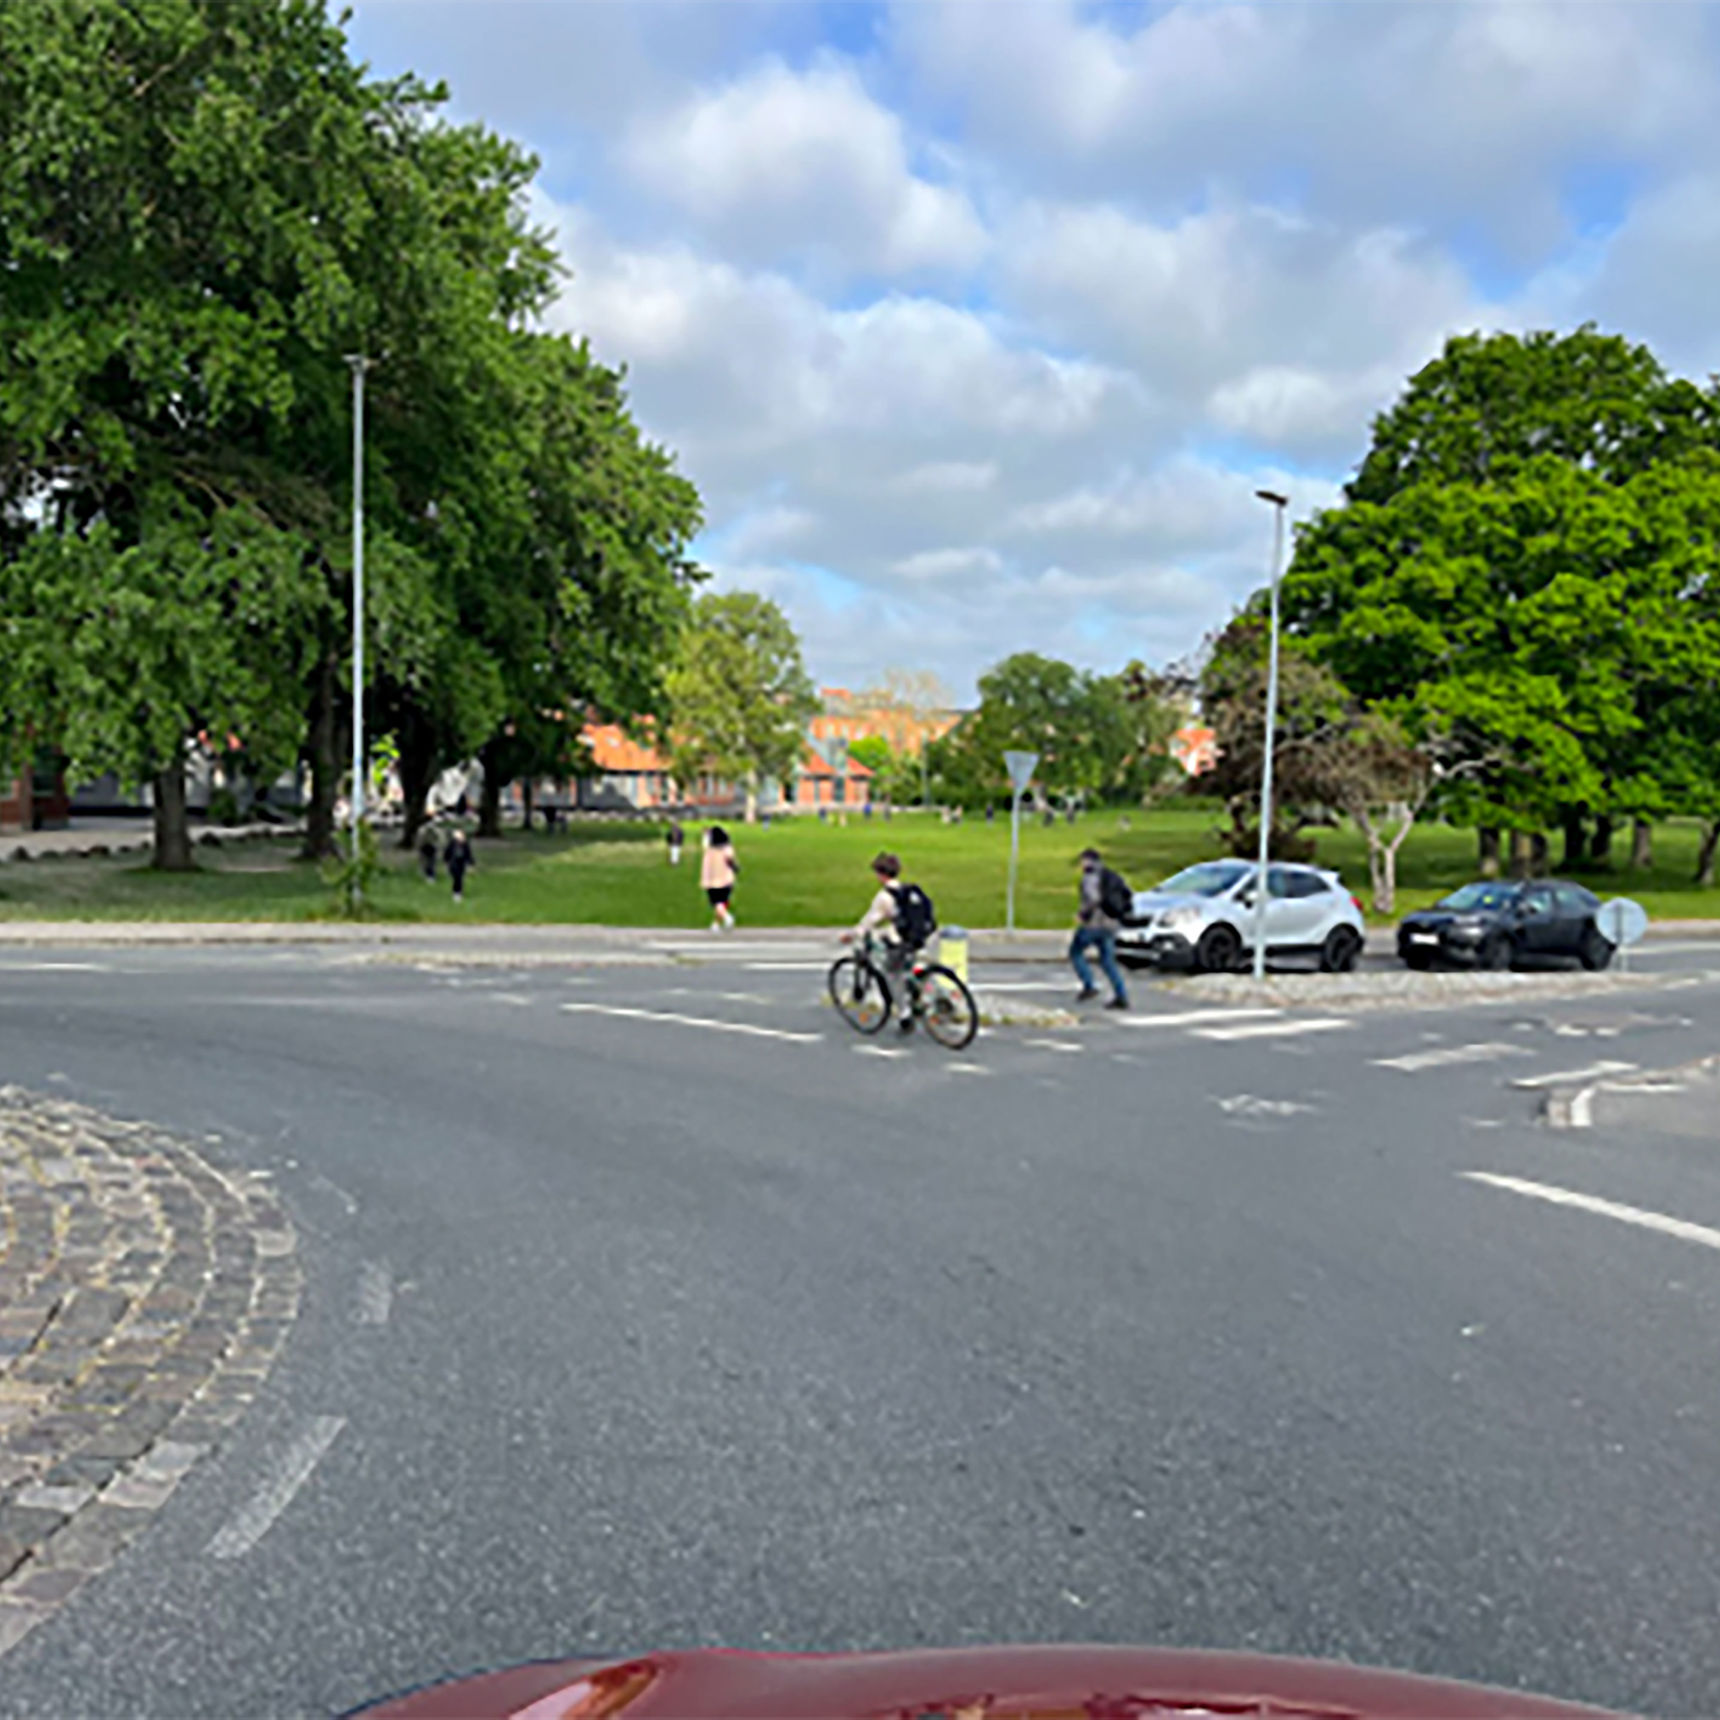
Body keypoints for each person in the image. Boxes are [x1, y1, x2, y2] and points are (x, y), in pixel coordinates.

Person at [842, 852, 934, 1032]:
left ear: (881, 875)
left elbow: (869, 921)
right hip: (919, 935)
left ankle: (905, 1015)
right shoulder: (908, 890)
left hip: (902, 939)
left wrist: (851, 935)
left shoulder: (884, 897)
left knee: (891, 973)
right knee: (905, 964)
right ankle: (917, 991)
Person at [1070, 847, 1129, 1010]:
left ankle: (1089, 985)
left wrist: (1082, 915)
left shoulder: (1089, 878)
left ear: (1088, 861)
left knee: (1075, 952)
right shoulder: (1110, 875)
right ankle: (1121, 995)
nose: (1081, 864)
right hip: (1111, 924)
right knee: (1108, 961)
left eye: (1082, 861)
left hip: (1094, 924)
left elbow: (1093, 899)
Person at [701, 826, 738, 931]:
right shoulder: (727, 849)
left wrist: (706, 834)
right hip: (726, 878)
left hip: (711, 879)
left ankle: (725, 918)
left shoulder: (709, 849)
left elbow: (705, 841)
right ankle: (716, 923)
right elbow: (730, 860)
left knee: (717, 903)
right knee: (722, 903)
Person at [444, 827, 474, 904]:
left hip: (461, 863)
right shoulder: (452, 844)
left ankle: (459, 892)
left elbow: (468, 854)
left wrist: (471, 864)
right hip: (453, 863)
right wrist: (446, 863)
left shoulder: (465, 844)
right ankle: (456, 893)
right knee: (456, 877)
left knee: (460, 878)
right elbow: (447, 853)